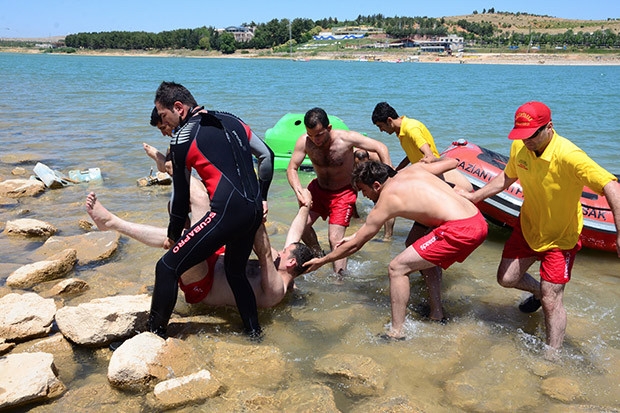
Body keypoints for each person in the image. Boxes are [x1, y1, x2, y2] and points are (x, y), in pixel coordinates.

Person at [459, 101, 620, 351]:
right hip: (529, 227)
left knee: (552, 301)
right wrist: (474, 197)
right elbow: (507, 175)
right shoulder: (520, 146)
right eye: (521, 135)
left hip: (560, 238)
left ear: (549, 127)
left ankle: (552, 355)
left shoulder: (569, 156)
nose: (526, 141)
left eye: (531, 135)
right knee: (506, 278)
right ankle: (537, 292)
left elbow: (611, 185)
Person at [305, 160, 488, 339]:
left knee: (397, 268)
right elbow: (451, 162)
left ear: (376, 185)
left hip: (461, 230)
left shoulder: (387, 200)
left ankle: (396, 332)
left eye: (363, 190)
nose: (364, 196)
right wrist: (355, 235)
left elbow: (356, 246)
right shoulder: (413, 170)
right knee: (417, 247)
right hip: (476, 219)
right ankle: (437, 313)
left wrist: (322, 261)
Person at [150, 81, 269, 338]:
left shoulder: (183, 138)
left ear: (179, 108)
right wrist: (263, 197)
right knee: (234, 271)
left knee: (167, 267)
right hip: (252, 212)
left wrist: (173, 234)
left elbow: (181, 198)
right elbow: (267, 156)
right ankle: (254, 334)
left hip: (227, 214)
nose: (165, 123)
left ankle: (152, 336)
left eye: (163, 116)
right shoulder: (233, 120)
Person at [85, 191, 314, 309]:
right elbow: (295, 233)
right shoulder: (286, 265)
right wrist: (306, 206)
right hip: (217, 256)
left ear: (291, 263)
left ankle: (112, 223)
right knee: (198, 196)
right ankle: (172, 165)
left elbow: (263, 251)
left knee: (180, 241)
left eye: (285, 253)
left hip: (204, 284)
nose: (280, 252)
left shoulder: (276, 290)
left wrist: (255, 215)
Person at [287, 107, 392, 275]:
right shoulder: (305, 141)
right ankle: (319, 256)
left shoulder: (346, 138)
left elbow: (381, 147)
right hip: (318, 189)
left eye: (319, 135)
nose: (315, 140)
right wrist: (299, 190)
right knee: (303, 225)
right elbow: (292, 168)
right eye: (311, 135)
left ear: (328, 128)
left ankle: (339, 278)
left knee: (334, 239)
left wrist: (389, 178)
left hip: (343, 192)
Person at [371, 102, 472, 192]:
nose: (381, 130)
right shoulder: (401, 130)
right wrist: (397, 169)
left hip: (435, 173)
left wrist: (408, 172)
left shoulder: (411, 129)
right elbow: (411, 154)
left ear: (389, 120)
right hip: (424, 174)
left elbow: (429, 156)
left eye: (380, 126)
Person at [354, 148, 395, 240]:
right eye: (358, 165)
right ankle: (360, 219)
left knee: (386, 206)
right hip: (369, 182)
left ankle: (387, 236)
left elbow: (390, 171)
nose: (361, 166)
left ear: (368, 159)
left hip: (382, 180)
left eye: (364, 164)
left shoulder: (376, 158)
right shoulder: (349, 162)